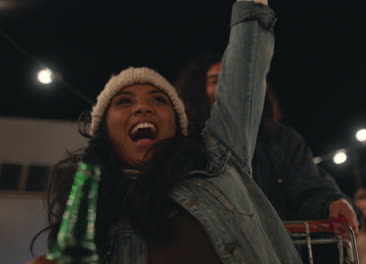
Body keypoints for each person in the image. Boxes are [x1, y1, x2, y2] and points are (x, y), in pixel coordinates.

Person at [28, 0, 304, 263]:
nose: (142, 108)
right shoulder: (90, 213)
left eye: (159, 100)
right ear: (104, 131)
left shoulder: (218, 158)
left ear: (177, 125)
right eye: (124, 101)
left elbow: (246, 64)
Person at [174, 53, 361, 233]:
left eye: (234, 79)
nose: (226, 86)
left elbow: (307, 185)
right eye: (215, 81)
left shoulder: (281, 139)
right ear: (198, 91)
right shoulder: (185, 142)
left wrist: (332, 203)